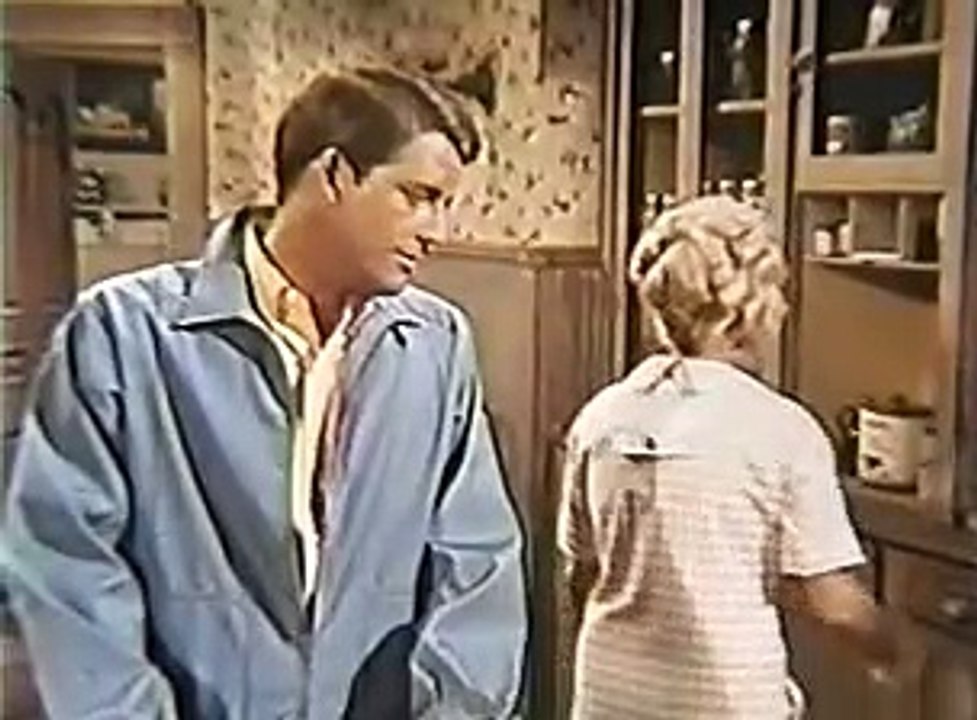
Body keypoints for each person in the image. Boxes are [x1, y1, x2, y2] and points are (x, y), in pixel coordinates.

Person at [2, 66, 527, 719]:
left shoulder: (435, 344)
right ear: (333, 175)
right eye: (416, 196)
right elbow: (66, 565)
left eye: (443, 204)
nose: (435, 230)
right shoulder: (125, 333)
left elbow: (477, 564)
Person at [557, 195, 912, 719]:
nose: (784, 309)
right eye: (777, 291)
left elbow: (582, 573)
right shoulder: (780, 429)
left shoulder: (601, 416)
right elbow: (833, 603)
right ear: (749, 311)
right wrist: (894, 647)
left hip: (609, 697)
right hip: (723, 703)